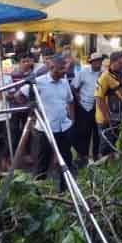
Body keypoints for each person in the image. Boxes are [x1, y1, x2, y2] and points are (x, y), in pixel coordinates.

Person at [34, 55, 75, 190]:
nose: (64, 71)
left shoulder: (64, 82)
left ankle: (65, 189)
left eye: (65, 68)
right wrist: (35, 114)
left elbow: (70, 101)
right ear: (52, 68)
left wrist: (72, 120)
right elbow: (20, 96)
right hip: (45, 129)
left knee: (66, 159)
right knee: (43, 162)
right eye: (61, 68)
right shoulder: (38, 82)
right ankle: (37, 191)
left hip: (63, 127)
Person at [95, 51, 122, 156]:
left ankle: (113, 163)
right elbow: (98, 98)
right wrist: (107, 119)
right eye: (121, 63)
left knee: (116, 146)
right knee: (106, 147)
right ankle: (102, 164)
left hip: (118, 117)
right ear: (113, 62)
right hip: (105, 119)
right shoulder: (104, 77)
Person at [71, 52, 104, 163]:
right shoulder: (83, 72)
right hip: (85, 106)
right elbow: (74, 86)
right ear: (91, 62)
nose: (98, 63)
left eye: (99, 61)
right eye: (95, 61)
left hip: (98, 106)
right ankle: (82, 155)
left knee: (97, 132)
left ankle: (95, 155)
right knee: (84, 131)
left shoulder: (104, 73)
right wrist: (79, 99)